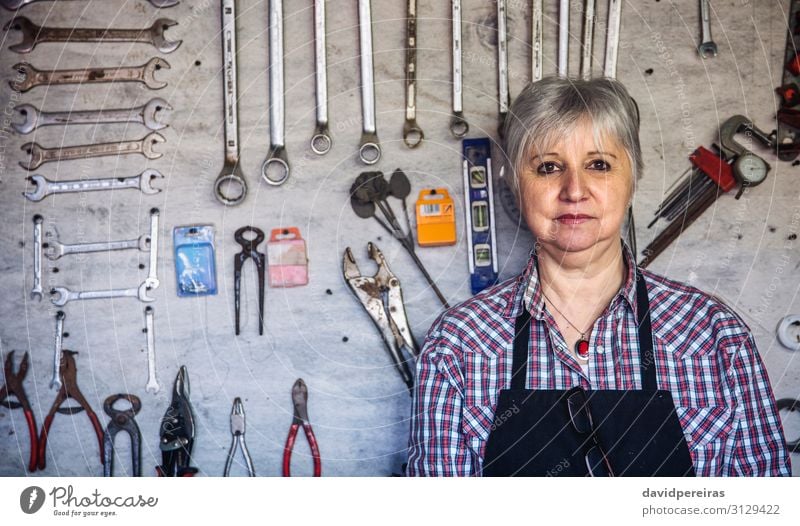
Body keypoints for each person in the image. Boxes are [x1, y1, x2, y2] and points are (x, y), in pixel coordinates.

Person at [406, 77, 791, 477]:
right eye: (549, 167)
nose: (575, 190)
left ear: (632, 178)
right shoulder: (457, 346)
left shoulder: (715, 337)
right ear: (517, 185)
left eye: (599, 165)